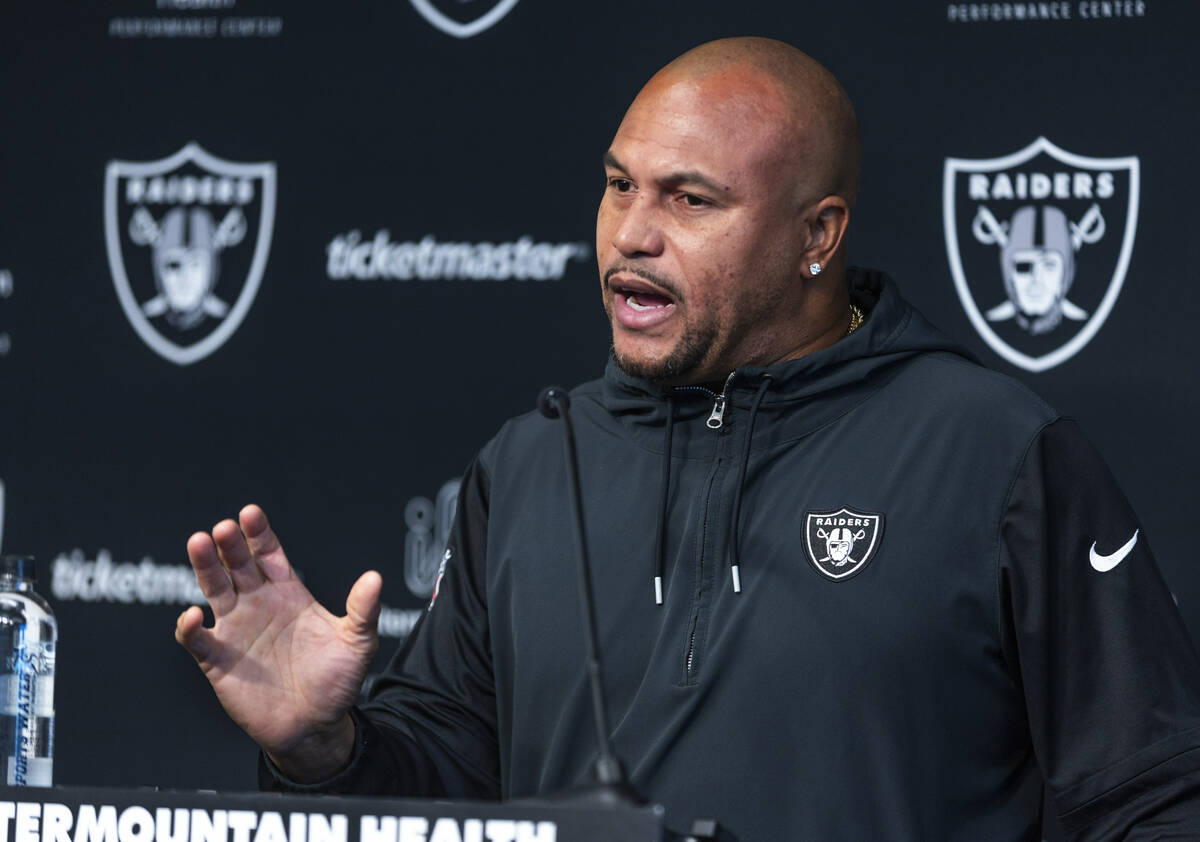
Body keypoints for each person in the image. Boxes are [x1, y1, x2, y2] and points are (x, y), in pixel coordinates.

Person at [176, 37, 1200, 840]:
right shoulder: (536, 459)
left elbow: (1155, 799)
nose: (631, 233)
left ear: (818, 236)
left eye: (690, 199)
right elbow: (448, 795)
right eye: (619, 184)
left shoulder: (995, 451)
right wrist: (325, 745)